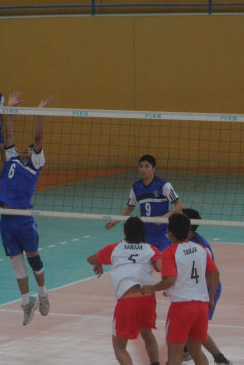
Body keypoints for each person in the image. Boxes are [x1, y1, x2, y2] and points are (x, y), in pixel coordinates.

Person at [0, 91, 53, 325]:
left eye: (31, 149)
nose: (28, 150)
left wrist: (38, 113)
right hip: (5, 219)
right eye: (27, 149)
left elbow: (38, 138)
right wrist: (9, 108)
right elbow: (8, 133)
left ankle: (43, 294)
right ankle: (26, 302)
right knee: (16, 262)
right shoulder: (12, 158)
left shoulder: (35, 165)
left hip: (23, 219)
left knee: (33, 258)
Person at [141, 213, 220, 365]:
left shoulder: (170, 252)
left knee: (174, 353)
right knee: (196, 350)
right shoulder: (200, 248)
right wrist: (210, 299)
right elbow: (215, 273)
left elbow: (170, 279)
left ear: (170, 233)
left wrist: (152, 288)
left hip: (182, 308)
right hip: (201, 307)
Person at [87, 216, 162, 365]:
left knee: (119, 347)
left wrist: (100, 263)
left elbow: (91, 259)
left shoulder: (115, 248)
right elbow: (161, 267)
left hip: (127, 301)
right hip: (147, 299)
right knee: (147, 333)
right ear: (143, 232)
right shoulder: (151, 249)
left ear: (125, 232)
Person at [181, 208, 233, 365]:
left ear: (187, 226)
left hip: (207, 289)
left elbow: (213, 273)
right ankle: (187, 350)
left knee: (195, 330)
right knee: (192, 328)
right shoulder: (179, 238)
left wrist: (209, 296)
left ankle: (218, 358)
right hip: (192, 290)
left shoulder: (200, 245)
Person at [106, 154, 184, 251]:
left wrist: (163, 218)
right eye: (141, 166)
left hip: (163, 234)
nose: (143, 169)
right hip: (144, 234)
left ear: (154, 169)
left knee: (163, 262)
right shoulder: (136, 187)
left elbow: (179, 205)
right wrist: (115, 221)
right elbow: (129, 208)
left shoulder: (164, 185)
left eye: (147, 166)